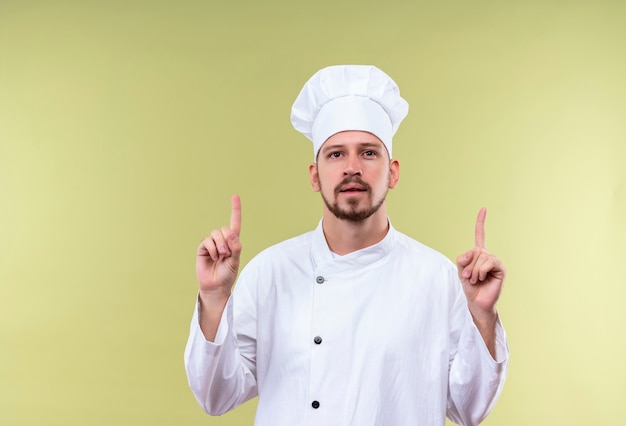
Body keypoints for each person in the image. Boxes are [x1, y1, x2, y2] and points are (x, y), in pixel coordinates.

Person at [184, 65, 509, 426]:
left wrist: (483, 316)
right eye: (336, 154)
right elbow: (216, 397)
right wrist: (214, 299)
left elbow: (471, 409)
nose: (351, 167)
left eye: (368, 153)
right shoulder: (269, 273)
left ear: (394, 172)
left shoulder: (439, 279)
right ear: (314, 175)